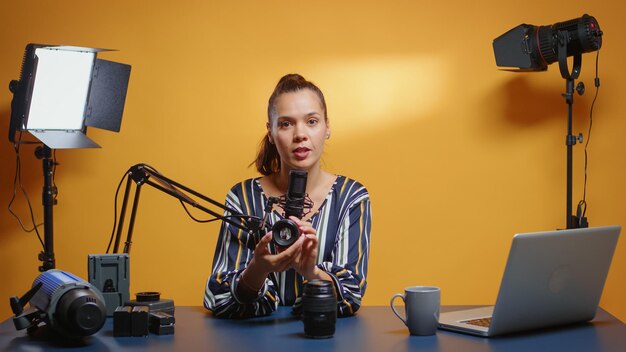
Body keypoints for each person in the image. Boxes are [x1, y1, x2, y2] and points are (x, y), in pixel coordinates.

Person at [204, 74, 371, 319]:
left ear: (327, 127)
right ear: (270, 132)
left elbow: (351, 293)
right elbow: (218, 297)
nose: (300, 134)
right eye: (286, 124)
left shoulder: (351, 197)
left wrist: (312, 272)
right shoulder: (242, 197)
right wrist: (257, 270)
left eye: (312, 121)